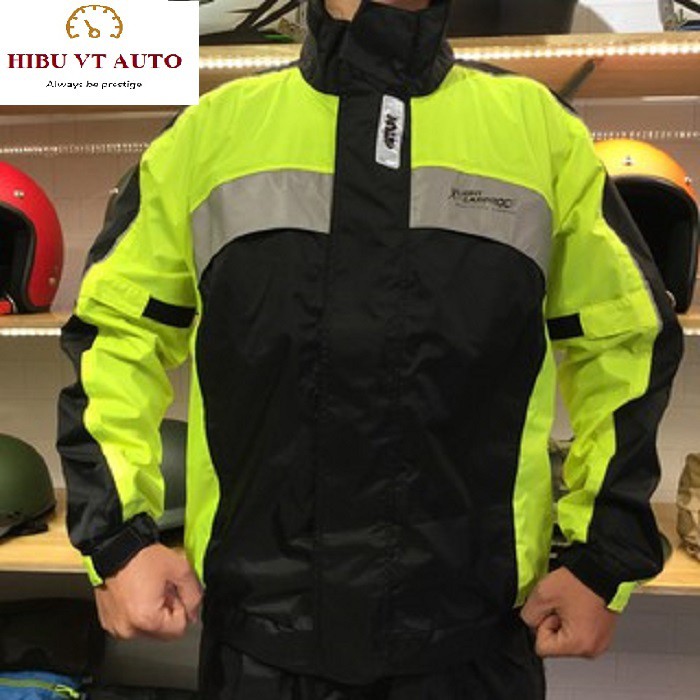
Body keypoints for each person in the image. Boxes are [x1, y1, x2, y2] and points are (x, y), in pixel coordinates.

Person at [56, 0, 683, 698]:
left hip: (473, 649)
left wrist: (602, 558)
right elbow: (115, 334)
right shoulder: (209, 137)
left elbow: (625, 339)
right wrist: (118, 541)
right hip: (261, 654)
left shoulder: (538, 135)